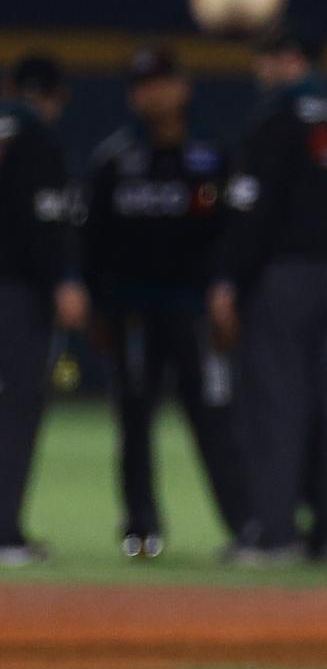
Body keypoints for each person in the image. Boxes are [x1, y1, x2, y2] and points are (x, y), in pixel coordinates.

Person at [82, 45, 254, 558]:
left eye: (160, 82)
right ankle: (141, 528)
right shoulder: (113, 160)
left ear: (183, 87)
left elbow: (234, 233)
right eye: (141, 84)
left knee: (212, 419)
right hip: (133, 311)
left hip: (194, 311)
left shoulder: (211, 154)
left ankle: (244, 526)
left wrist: (226, 289)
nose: (151, 93)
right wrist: (97, 308)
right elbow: (92, 244)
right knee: (134, 421)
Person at [210, 22, 327, 563]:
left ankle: (275, 534)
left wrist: (229, 279)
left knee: (274, 404)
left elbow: (254, 212)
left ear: (292, 58)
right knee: (322, 403)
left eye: (268, 57)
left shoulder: (275, 120)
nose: (260, 68)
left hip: (280, 277)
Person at [0, 54, 89, 566]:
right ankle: (4, 532)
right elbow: (44, 221)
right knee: (14, 411)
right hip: (14, 295)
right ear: (54, 95)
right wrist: (63, 281)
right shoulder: (36, 136)